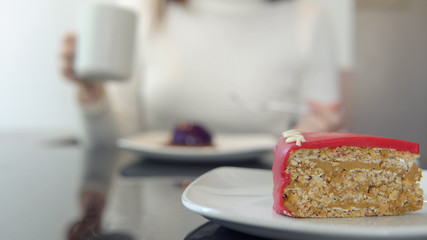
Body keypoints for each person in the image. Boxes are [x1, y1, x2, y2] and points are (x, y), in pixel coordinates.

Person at [61, 0, 343, 146]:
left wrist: (318, 136)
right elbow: (113, 142)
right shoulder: (144, 8)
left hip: (259, 199)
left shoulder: (308, 16)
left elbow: (317, 123)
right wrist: (91, 91)